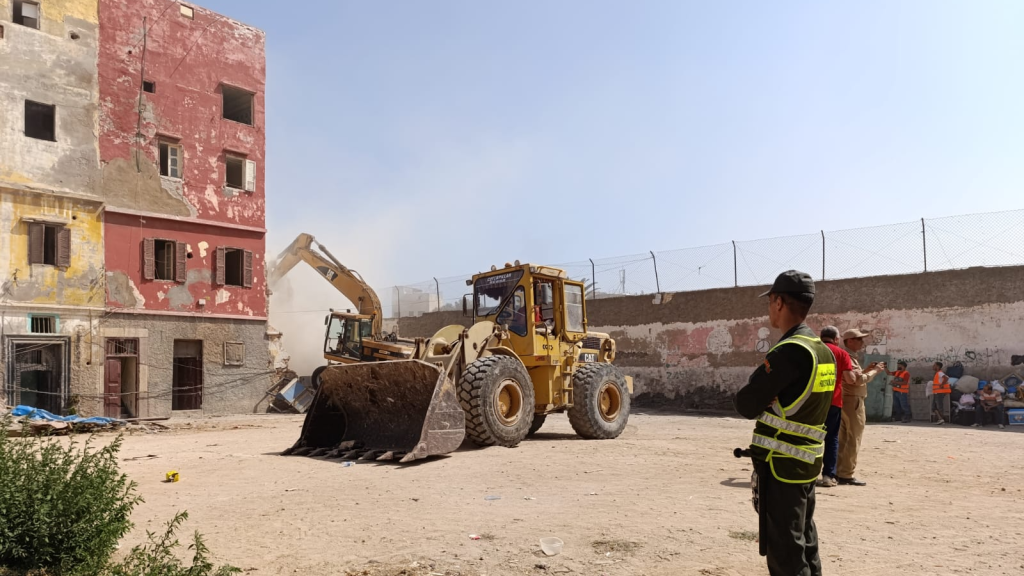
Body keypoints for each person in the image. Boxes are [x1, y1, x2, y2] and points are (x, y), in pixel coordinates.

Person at [735, 270, 835, 576]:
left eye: (770, 302)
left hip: (781, 463)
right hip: (807, 461)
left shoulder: (789, 351)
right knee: (805, 538)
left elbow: (746, 403)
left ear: (779, 302)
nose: (769, 309)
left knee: (785, 551)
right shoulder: (823, 351)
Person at [837, 329, 886, 486]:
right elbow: (856, 381)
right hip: (853, 401)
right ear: (849, 341)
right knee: (853, 438)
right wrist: (875, 371)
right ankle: (846, 474)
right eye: (858, 339)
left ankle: (838, 471)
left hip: (845, 400)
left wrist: (865, 370)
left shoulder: (848, 357)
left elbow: (853, 377)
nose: (862, 343)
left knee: (843, 438)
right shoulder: (848, 358)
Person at [817, 326, 852, 488]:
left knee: (809, 438)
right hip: (833, 401)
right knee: (831, 439)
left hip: (811, 403)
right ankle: (828, 476)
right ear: (836, 339)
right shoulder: (841, 353)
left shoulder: (812, 350)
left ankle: (805, 474)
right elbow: (850, 379)